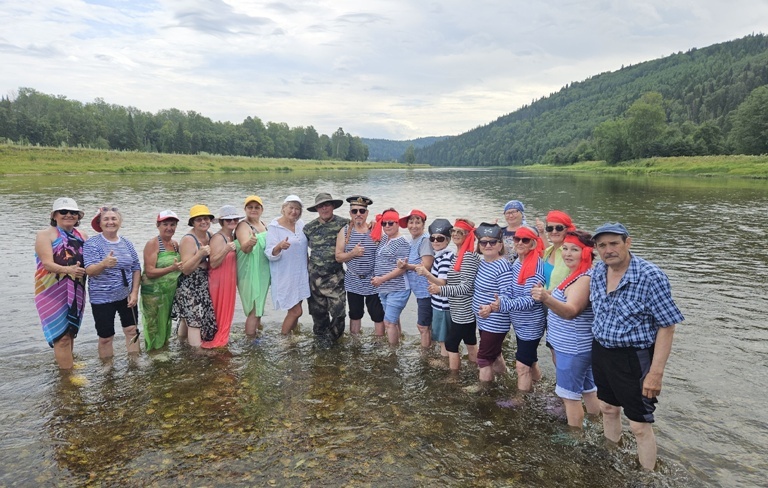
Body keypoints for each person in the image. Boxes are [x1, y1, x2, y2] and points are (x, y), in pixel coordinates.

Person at [589, 223, 684, 471]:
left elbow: (668, 325)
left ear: (627, 243)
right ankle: (613, 458)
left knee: (639, 425)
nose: (608, 250)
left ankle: (647, 476)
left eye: (614, 243)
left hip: (634, 357)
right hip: (601, 350)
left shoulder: (650, 276)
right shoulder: (599, 270)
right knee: (607, 408)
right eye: (602, 245)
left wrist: (655, 373)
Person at [531, 229, 600, 428]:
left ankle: (575, 438)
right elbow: (565, 294)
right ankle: (597, 426)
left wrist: (546, 298)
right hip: (579, 346)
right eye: (566, 249)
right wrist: (549, 292)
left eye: (574, 250)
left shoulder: (584, 279)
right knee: (588, 389)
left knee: (570, 397)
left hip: (573, 347)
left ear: (586, 252)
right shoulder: (577, 274)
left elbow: (571, 311)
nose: (568, 254)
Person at [488, 225, 546, 392]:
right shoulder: (517, 264)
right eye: (517, 239)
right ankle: (538, 387)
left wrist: (504, 304)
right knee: (530, 360)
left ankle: (521, 401)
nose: (520, 242)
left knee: (521, 366)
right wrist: (503, 299)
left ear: (533, 244)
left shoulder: (535, 266)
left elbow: (531, 299)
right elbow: (509, 290)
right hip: (519, 323)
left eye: (525, 240)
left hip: (531, 324)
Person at [34, 197, 88, 369]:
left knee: (70, 331)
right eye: (63, 212)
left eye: (73, 212)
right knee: (61, 336)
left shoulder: (83, 235)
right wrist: (69, 270)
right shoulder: (45, 235)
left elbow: (90, 260)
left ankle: (67, 366)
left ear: (78, 217)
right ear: (55, 215)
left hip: (77, 289)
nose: (68, 215)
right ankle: (68, 377)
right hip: (50, 291)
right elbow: (47, 264)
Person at [83, 206, 142, 359]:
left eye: (114, 218)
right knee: (106, 337)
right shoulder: (92, 244)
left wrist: (134, 292)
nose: (110, 222)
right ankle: (107, 368)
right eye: (106, 219)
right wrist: (103, 264)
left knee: (132, 330)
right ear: (100, 223)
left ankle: (134, 362)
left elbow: (136, 267)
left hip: (126, 296)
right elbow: (89, 270)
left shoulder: (127, 243)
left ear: (119, 222)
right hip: (102, 298)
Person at [429, 218, 480, 371]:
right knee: (470, 342)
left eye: (460, 232)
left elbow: (465, 287)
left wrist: (441, 290)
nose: (456, 234)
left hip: (464, 311)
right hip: (460, 309)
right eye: (454, 231)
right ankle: (475, 370)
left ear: (468, 235)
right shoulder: (459, 255)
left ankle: (453, 378)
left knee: (451, 343)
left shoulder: (469, 257)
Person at [335, 195, 385, 336]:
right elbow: (338, 257)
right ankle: (355, 344)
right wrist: (353, 253)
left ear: (367, 213)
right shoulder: (344, 232)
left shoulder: (374, 230)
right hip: (353, 280)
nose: (358, 214)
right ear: (350, 213)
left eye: (362, 211)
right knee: (355, 314)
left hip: (373, 281)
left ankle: (380, 346)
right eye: (355, 211)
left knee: (378, 315)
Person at [304, 192, 350, 343]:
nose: (324, 208)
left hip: (335, 278)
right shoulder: (308, 228)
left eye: (327, 205)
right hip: (314, 279)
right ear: (316, 208)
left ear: (333, 206)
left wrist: (374, 224)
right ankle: (320, 344)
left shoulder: (345, 224)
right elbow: (299, 249)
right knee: (318, 315)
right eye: (320, 206)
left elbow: (362, 229)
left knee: (339, 314)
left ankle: (335, 344)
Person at [473, 223, 515, 383]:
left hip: (496, 321)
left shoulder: (502, 266)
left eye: (492, 242)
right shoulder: (483, 263)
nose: (488, 245)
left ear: (500, 244)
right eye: (483, 242)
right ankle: (505, 380)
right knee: (495, 354)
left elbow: (507, 295)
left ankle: (485, 393)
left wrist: (490, 308)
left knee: (483, 359)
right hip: (484, 320)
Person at [265, 195, 310, 335]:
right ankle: (283, 340)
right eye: (291, 208)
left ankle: (294, 335)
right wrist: (279, 246)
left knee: (297, 310)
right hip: (285, 275)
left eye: (297, 209)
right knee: (296, 311)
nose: (294, 211)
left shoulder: (300, 224)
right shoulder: (275, 227)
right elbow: (268, 253)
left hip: (301, 273)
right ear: (283, 209)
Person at [172, 204, 216, 348]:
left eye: (206, 219)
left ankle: (181, 343)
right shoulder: (189, 240)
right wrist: (200, 254)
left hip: (202, 282)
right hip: (188, 284)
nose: (203, 222)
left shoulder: (209, 235)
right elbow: (185, 269)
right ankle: (196, 352)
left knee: (187, 317)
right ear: (193, 222)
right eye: (199, 220)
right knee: (195, 320)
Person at [140, 210, 183, 351]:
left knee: (165, 321)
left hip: (169, 292)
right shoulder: (153, 243)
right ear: (158, 225)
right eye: (165, 224)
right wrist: (172, 268)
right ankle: (152, 352)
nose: (169, 228)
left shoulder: (176, 244)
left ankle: (163, 349)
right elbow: (150, 271)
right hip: (153, 292)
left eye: (172, 224)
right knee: (153, 324)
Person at [203, 205, 242, 348]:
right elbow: (213, 263)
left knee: (227, 310)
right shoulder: (218, 238)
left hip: (228, 281)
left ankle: (223, 338)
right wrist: (226, 250)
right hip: (218, 281)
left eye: (235, 219)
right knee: (219, 311)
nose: (232, 221)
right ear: (221, 222)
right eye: (228, 220)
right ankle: (214, 341)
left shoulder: (232, 235)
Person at [370, 208, 411, 345]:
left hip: (398, 288)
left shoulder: (402, 242)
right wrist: (374, 225)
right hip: (384, 289)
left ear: (398, 223)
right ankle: (398, 344)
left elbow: (401, 269)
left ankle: (392, 352)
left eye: (391, 223)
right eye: (384, 223)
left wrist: (381, 279)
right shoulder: (384, 240)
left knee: (388, 322)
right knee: (394, 320)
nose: (387, 226)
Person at [415, 219, 454, 357]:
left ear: (448, 240)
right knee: (442, 336)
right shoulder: (443, 256)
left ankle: (445, 361)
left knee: (443, 339)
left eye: (440, 238)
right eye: (433, 238)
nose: (435, 241)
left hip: (443, 305)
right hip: (440, 304)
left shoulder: (444, 258)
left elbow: (442, 283)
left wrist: (426, 273)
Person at [397, 209, 435, 348]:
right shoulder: (413, 240)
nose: (414, 225)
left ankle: (424, 356)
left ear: (423, 224)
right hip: (420, 291)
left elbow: (426, 265)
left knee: (422, 326)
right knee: (428, 325)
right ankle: (432, 349)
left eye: (417, 222)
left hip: (427, 290)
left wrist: (407, 266)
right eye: (411, 222)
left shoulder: (424, 240)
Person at [235, 195, 270, 336]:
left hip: (262, 272)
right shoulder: (243, 225)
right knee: (253, 309)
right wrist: (249, 243)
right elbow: (244, 248)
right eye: (250, 207)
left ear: (262, 209)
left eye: (257, 207)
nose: (253, 210)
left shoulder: (263, 224)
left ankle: (257, 334)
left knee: (259, 307)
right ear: (245, 209)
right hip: (249, 273)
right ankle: (250, 341)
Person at [542, 210, 576, 290]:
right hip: (543, 300)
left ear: (567, 229)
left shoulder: (572, 253)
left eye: (559, 228)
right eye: (550, 228)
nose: (554, 231)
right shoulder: (548, 251)